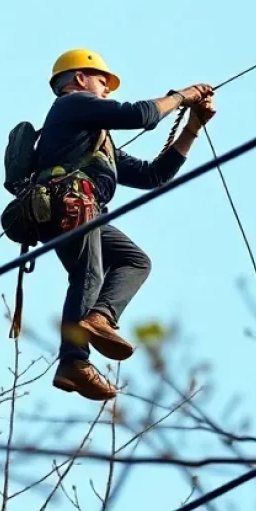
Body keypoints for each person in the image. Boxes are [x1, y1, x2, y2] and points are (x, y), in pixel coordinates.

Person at [36, 48, 216, 402]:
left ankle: (100, 318)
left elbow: (153, 175)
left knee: (135, 262)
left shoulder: (96, 137)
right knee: (89, 273)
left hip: (81, 208)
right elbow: (140, 115)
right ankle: (73, 360)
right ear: (79, 79)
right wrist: (182, 96)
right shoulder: (72, 105)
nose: (107, 90)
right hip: (71, 203)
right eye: (103, 81)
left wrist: (193, 126)